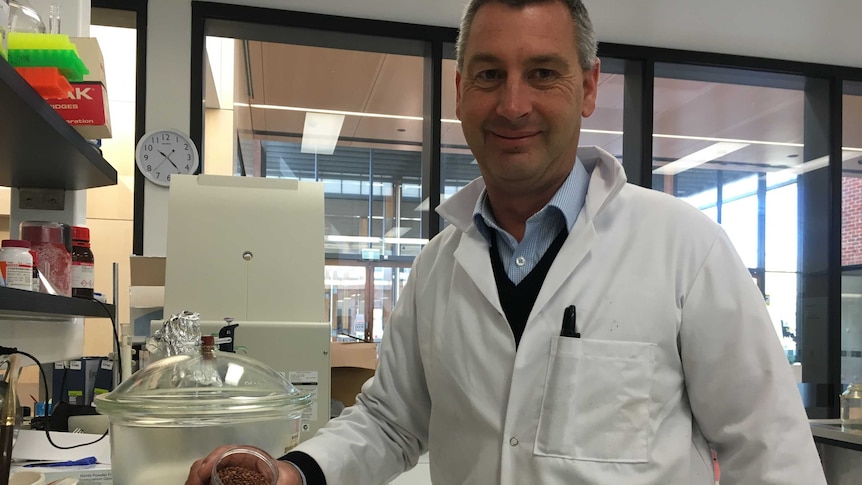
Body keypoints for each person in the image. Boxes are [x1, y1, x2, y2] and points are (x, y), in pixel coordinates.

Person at [187, 1, 827, 483]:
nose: (513, 104)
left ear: (589, 86)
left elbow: (771, 451)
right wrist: (295, 472)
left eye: (543, 73)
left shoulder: (685, 248)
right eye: (490, 74)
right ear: (460, 90)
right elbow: (389, 421)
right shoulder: (438, 267)